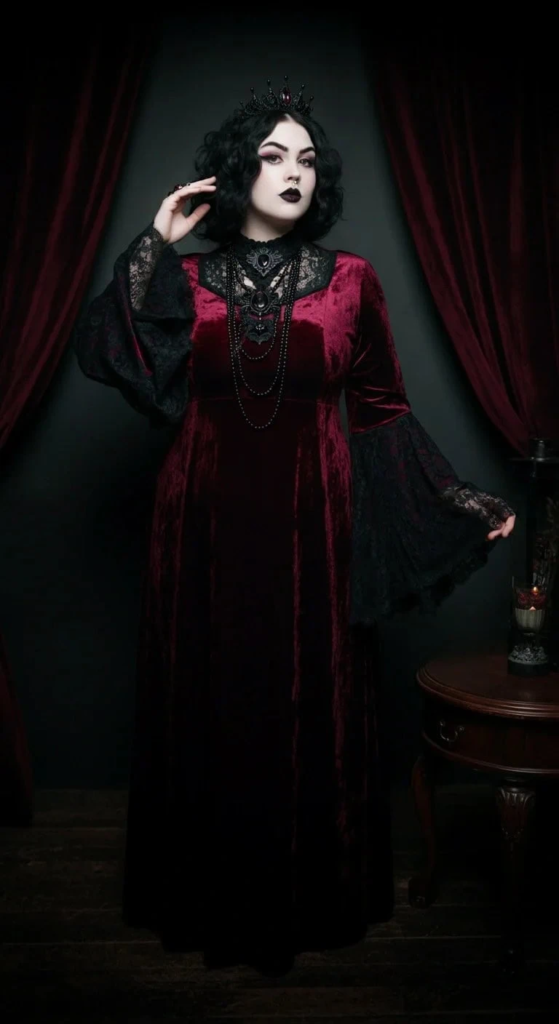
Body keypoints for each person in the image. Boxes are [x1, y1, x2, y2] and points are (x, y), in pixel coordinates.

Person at [74, 79, 515, 975]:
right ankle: (203, 894)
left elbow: (382, 410)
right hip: (199, 519)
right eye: (272, 156)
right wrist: (156, 238)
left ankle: (308, 893)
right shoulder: (183, 280)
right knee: (211, 692)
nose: (293, 173)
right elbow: (112, 350)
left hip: (314, 521)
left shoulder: (351, 279)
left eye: (307, 160)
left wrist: (456, 499)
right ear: (237, 170)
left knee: (306, 696)